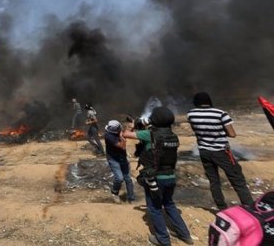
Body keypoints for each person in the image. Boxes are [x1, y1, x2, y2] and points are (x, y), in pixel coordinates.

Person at [123, 107, 193, 246]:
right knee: (169, 204)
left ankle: (163, 240)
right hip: (170, 176)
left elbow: (126, 134)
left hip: (155, 178)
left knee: (154, 208)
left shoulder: (150, 135)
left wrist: (133, 126)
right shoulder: (174, 136)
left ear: (154, 120)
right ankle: (185, 235)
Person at [187, 92, 254, 210]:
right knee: (237, 179)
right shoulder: (220, 113)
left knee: (214, 181)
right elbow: (232, 134)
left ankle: (222, 208)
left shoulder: (191, 114)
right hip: (221, 152)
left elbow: (195, 129)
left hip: (204, 151)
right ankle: (250, 208)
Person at [104, 120, 134, 204]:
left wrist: (132, 126)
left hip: (122, 158)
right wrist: (122, 137)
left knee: (128, 179)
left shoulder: (118, 131)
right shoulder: (108, 136)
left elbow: (129, 133)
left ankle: (131, 198)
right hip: (113, 159)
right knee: (119, 178)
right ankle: (114, 193)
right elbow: (122, 147)